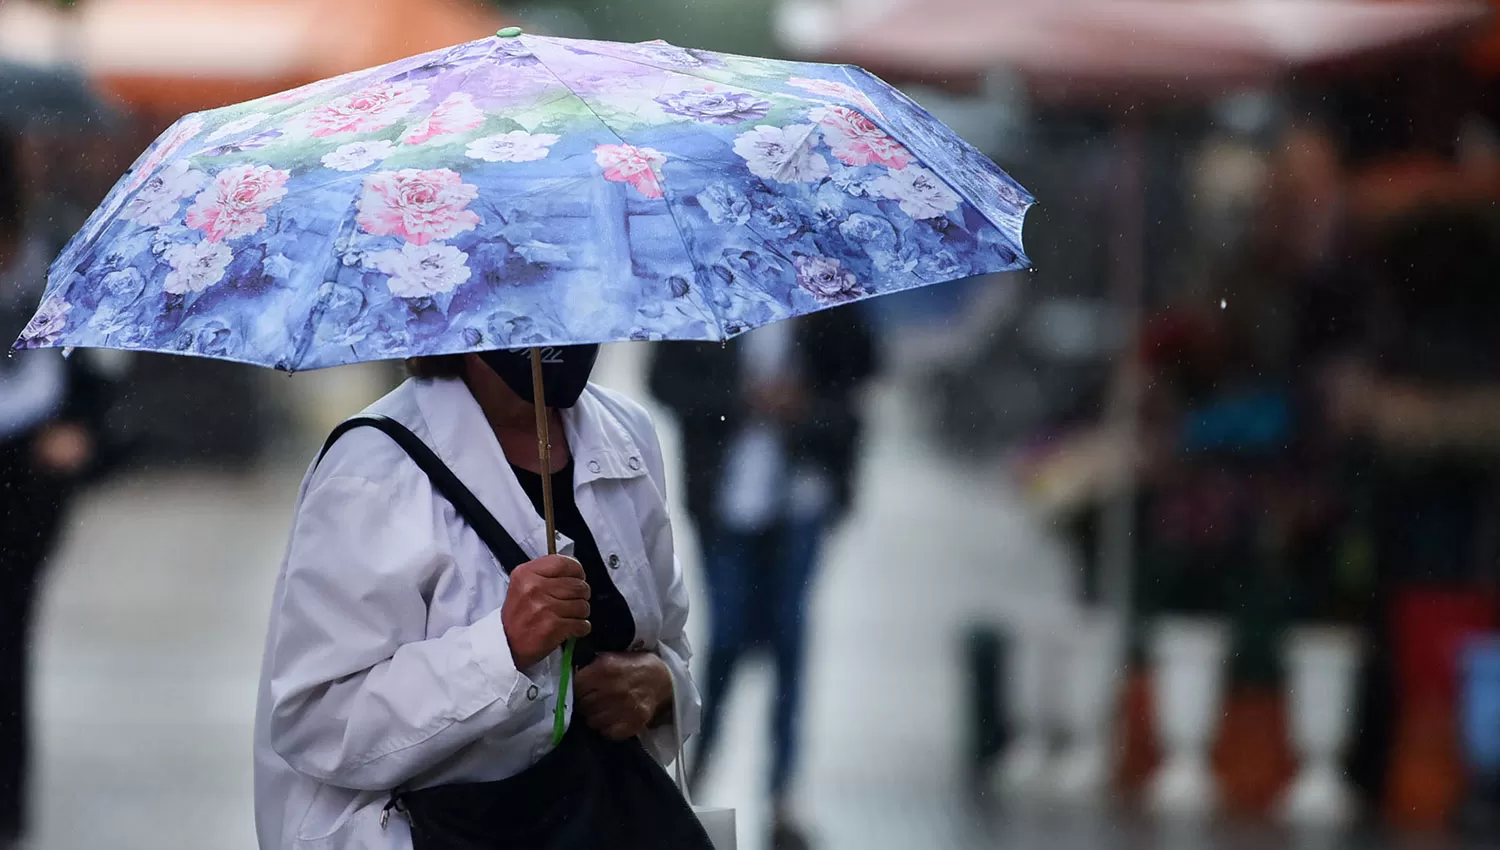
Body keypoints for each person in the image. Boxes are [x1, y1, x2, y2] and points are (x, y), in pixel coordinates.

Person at [253, 345, 711, 850]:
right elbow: (316, 723)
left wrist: (661, 686)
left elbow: (669, 643)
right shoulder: (370, 469)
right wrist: (502, 650)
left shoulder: (626, 434)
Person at [649, 308, 876, 849]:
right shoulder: (703, 295)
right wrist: (741, 400)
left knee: (790, 638)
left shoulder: (828, 286)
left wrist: (806, 406)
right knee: (725, 636)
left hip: (803, 494)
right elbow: (666, 381)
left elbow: (860, 377)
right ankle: (696, 773)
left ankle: (781, 795)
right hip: (726, 496)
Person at [0, 128, 99, 850]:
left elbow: (88, 350)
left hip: (29, 464)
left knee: (9, 632)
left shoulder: (52, 242)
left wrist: (77, 427)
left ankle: (8, 800)